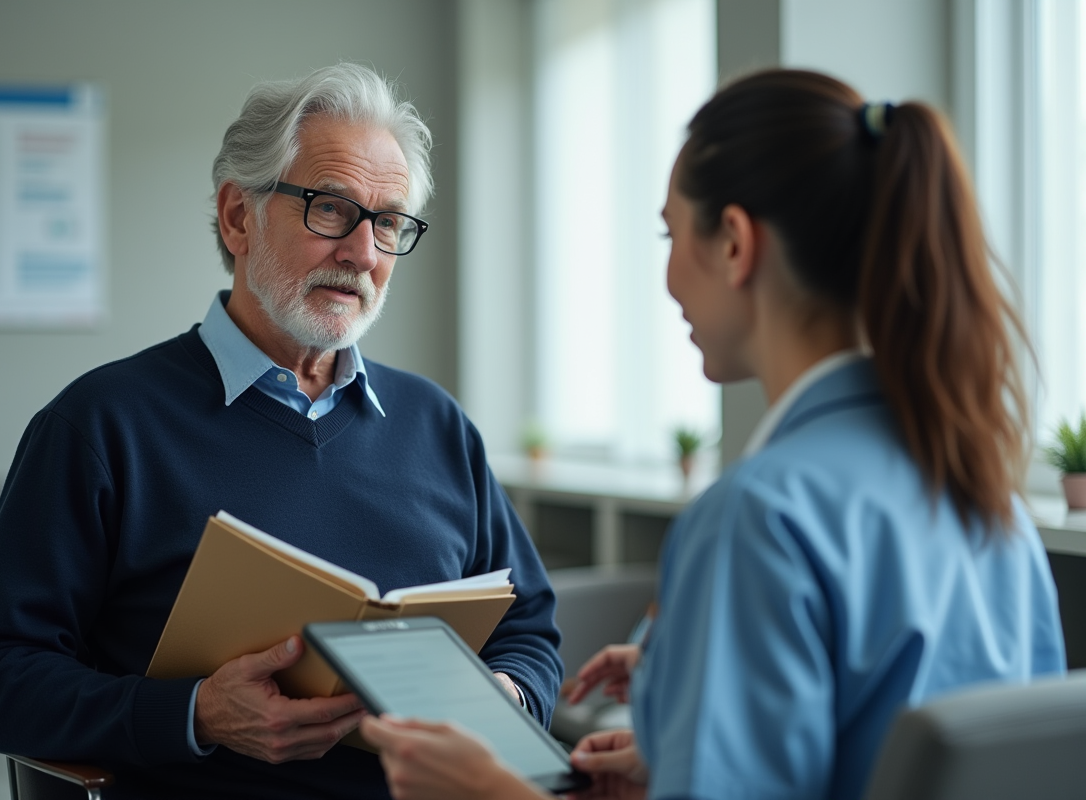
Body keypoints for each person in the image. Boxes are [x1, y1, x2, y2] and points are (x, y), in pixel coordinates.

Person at [358, 68, 1067, 800]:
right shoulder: (991, 503)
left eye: (670, 233)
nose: (667, 278)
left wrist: (492, 791)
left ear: (734, 243)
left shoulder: (758, 518)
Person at [0, 63, 562, 800]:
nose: (364, 253)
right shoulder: (101, 426)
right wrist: (195, 714)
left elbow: (528, 627)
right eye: (331, 209)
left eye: (389, 223)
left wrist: (506, 695)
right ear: (239, 217)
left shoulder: (439, 425)